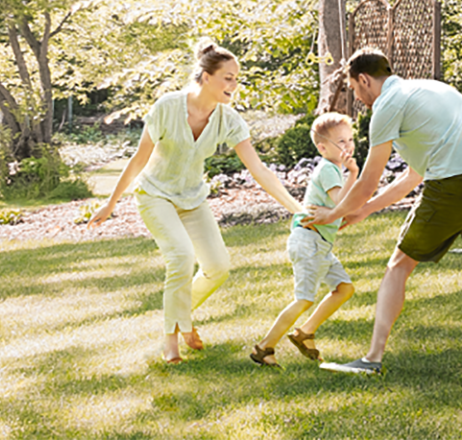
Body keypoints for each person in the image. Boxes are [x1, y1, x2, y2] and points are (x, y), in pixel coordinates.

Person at [312, 47, 462, 375]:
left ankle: (372, 360)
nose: (357, 96)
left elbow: (368, 181)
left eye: (354, 89)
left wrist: (333, 213)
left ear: (364, 79)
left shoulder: (387, 106)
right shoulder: (432, 89)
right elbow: (412, 177)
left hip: (453, 185)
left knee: (399, 265)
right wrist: (363, 211)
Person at [88, 41, 306, 364]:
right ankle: (171, 342)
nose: (234, 85)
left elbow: (258, 170)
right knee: (181, 255)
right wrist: (111, 203)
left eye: (236, 78)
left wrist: (297, 209)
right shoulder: (167, 107)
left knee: (218, 267)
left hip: (192, 200)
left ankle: (183, 316)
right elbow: (138, 160)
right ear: (205, 76)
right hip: (155, 195)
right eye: (227, 78)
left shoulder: (228, 119)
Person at [249, 113, 357, 367]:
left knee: (344, 288)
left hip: (319, 244)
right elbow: (343, 204)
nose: (348, 146)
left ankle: (305, 332)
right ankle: (265, 347)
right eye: (341, 141)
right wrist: (354, 176)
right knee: (304, 298)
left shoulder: (334, 170)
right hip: (309, 241)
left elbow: (340, 204)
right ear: (322, 147)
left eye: (350, 139)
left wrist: (352, 174)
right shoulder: (329, 170)